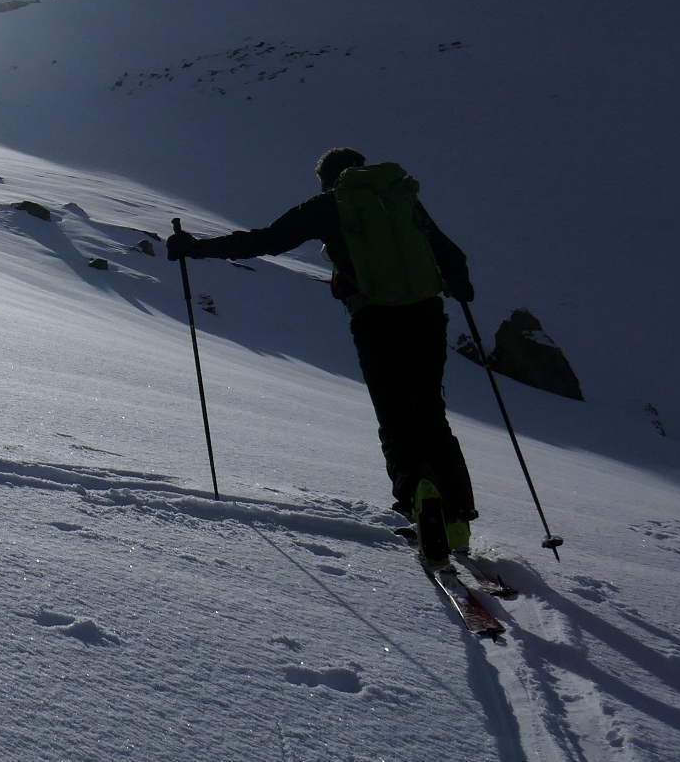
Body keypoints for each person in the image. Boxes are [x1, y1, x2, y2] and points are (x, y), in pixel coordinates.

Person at [165, 147, 478, 565]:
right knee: (430, 410)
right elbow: (449, 253)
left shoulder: (329, 205)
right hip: (425, 315)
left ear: (327, 178)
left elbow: (267, 240)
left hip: (374, 319)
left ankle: (418, 502)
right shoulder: (400, 197)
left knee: (394, 414)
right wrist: (459, 285)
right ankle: (458, 519)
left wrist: (196, 248)